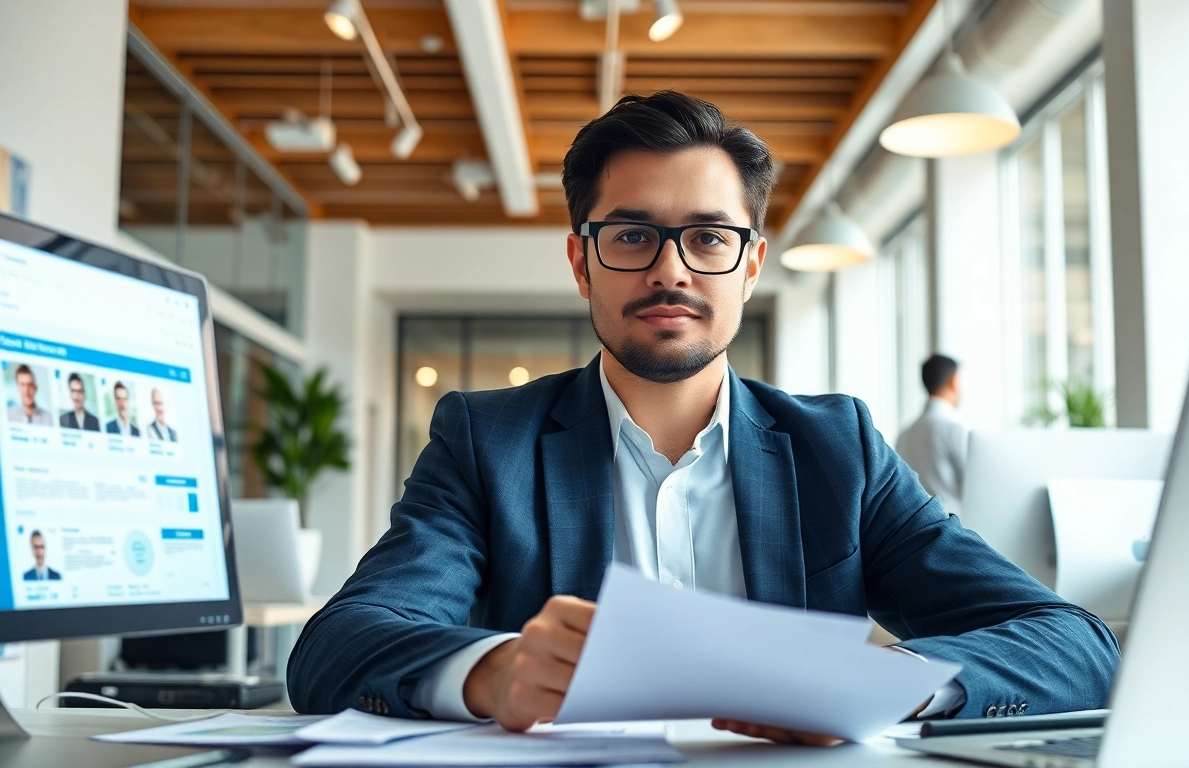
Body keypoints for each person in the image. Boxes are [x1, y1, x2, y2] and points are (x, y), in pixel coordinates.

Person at [288, 92, 1118, 741]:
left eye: (710, 239)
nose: (671, 271)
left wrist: (886, 687)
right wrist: (491, 671)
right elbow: (336, 644)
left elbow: (1073, 644)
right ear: (581, 261)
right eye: (632, 236)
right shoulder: (487, 441)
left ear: (751, 266)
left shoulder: (839, 449)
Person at [895, 354, 969, 516]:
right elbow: (972, 486)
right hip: (955, 522)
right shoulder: (954, 429)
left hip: (916, 523)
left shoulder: (904, 435)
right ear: (954, 381)